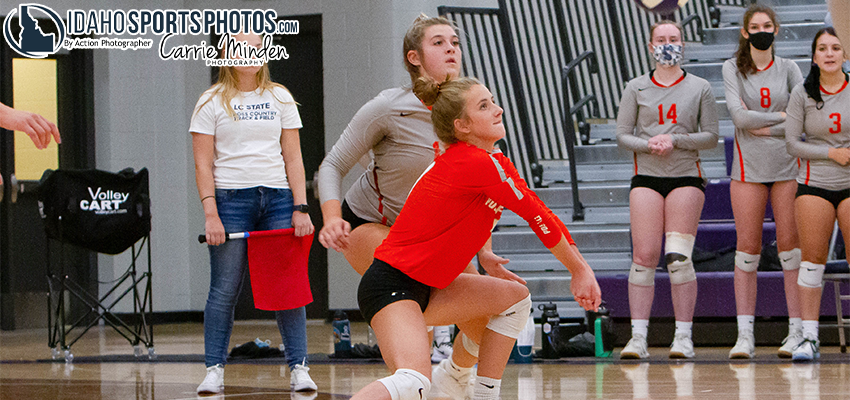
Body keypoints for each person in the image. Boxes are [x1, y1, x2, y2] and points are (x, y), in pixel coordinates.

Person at [350, 75, 601, 400]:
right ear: (462, 126)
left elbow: (538, 212)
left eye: (493, 101)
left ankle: (472, 386)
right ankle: (452, 376)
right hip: (391, 285)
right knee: (414, 382)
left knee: (516, 300)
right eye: (484, 106)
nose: (498, 109)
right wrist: (579, 269)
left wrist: (485, 254)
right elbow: (536, 217)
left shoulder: (493, 161)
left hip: (431, 286)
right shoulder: (472, 162)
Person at [317, 14, 516, 398]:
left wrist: (485, 251)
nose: (451, 49)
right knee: (414, 313)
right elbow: (333, 164)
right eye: (438, 42)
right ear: (414, 57)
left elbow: (478, 195)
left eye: (454, 42)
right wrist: (329, 217)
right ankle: (412, 378)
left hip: (435, 236)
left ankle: (454, 375)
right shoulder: (389, 107)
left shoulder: (471, 114)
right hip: (371, 223)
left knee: (485, 327)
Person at [189, 32, 317, 394]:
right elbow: (202, 165)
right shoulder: (210, 101)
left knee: (287, 288)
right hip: (230, 200)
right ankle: (214, 370)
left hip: (278, 199)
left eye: (257, 48)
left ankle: (300, 368)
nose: (251, 54)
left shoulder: (280, 97)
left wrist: (300, 206)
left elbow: (293, 157)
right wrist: (211, 214)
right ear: (227, 55)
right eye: (242, 48)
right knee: (224, 288)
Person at [616, 20, 719, 359]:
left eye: (673, 38)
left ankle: (683, 337)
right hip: (646, 176)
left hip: (685, 175)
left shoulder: (700, 87)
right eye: (660, 39)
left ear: (683, 44)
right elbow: (623, 135)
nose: (667, 44)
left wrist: (675, 140)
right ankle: (638, 338)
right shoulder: (636, 87)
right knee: (644, 257)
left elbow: (711, 136)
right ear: (650, 46)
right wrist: (648, 144)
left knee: (678, 257)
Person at [722, 4, 804, 359]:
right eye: (754, 27)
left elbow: (801, 116)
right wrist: (780, 118)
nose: (761, 31)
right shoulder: (732, 68)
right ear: (745, 32)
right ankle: (745, 336)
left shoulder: (789, 68)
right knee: (747, 251)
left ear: (776, 29)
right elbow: (739, 118)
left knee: (790, 250)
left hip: (787, 166)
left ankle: (797, 331)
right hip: (748, 170)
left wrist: (766, 126)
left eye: (767, 26)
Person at [785, 27, 850, 362]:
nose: (829, 53)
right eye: (822, 48)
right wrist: (830, 153)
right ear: (814, 56)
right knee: (811, 261)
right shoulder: (802, 93)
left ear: (845, 54)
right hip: (814, 183)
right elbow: (791, 143)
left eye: (835, 48)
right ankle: (809, 338)